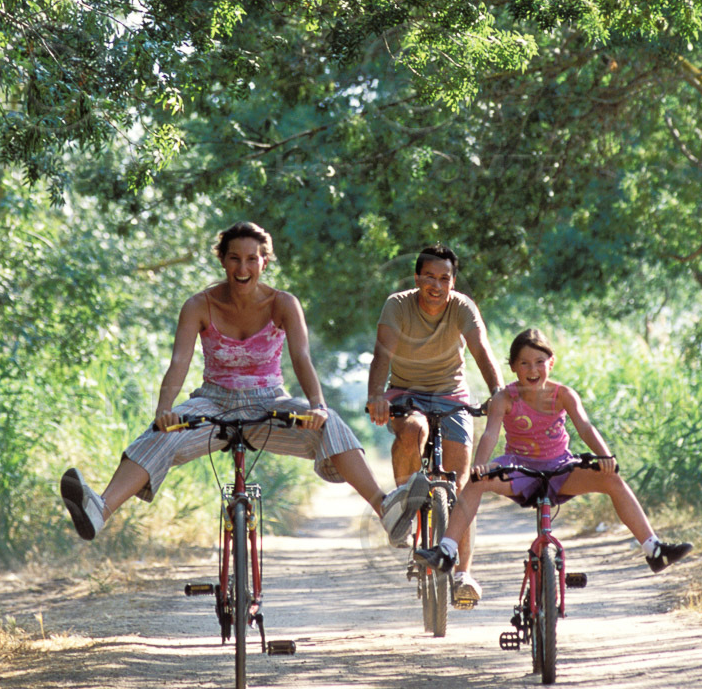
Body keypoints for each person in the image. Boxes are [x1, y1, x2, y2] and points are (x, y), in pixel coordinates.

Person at [59, 221, 427, 546]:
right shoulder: (198, 305)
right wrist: (164, 410)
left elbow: (301, 358)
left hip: (270, 404)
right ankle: (99, 509)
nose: (243, 267)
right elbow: (179, 363)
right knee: (159, 433)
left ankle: (386, 509)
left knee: (330, 422)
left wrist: (316, 403)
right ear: (222, 260)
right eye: (234, 258)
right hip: (213, 402)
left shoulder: (283, 303)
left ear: (265, 262)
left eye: (252, 259)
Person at [417, 327, 692, 577]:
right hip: (519, 469)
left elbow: (585, 427)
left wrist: (606, 456)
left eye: (539, 362)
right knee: (474, 483)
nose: (532, 369)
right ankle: (447, 551)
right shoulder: (504, 398)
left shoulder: (563, 395)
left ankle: (654, 550)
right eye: (524, 363)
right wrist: (480, 465)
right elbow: (490, 434)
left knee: (613, 480)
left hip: (560, 468)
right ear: (513, 367)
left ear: (551, 362)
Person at [367, 245, 503, 607]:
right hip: (406, 394)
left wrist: (498, 393)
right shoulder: (397, 305)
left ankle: (463, 575)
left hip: (451, 395)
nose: (437, 285)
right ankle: (404, 511)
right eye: (430, 277)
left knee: (462, 485)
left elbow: (481, 349)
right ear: (417, 278)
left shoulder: (462, 307)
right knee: (413, 430)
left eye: (445, 279)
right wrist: (376, 395)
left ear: (452, 282)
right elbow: (383, 353)